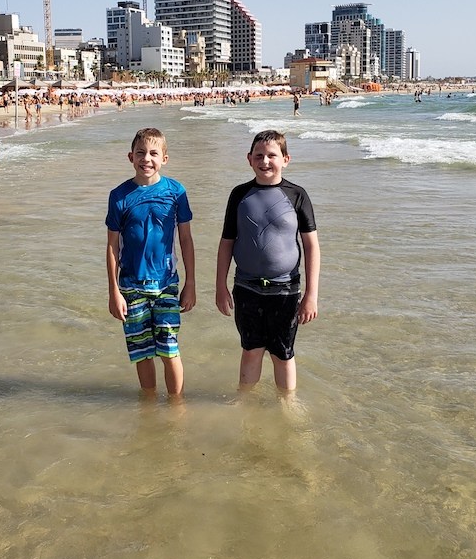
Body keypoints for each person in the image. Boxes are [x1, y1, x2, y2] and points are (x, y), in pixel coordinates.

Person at [215, 129, 320, 395]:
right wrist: (220, 287)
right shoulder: (239, 195)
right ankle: (244, 401)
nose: (265, 161)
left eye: (272, 155)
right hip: (246, 288)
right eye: (259, 155)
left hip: (285, 290)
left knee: (282, 353)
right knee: (251, 349)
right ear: (249, 159)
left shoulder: (297, 195)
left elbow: (311, 246)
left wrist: (311, 295)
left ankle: (287, 404)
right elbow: (226, 242)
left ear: (286, 159)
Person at [105, 127, 196, 398]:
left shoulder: (176, 192)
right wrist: (113, 291)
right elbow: (112, 246)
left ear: (164, 158)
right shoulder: (119, 196)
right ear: (130, 157)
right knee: (141, 350)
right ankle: (148, 402)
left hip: (166, 283)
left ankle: (176, 406)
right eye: (141, 153)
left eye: (154, 153)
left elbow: (186, 240)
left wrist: (191, 283)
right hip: (130, 285)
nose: (147, 159)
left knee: (169, 348)